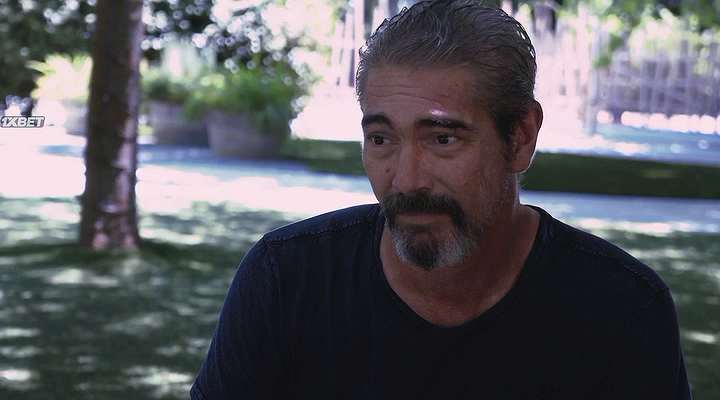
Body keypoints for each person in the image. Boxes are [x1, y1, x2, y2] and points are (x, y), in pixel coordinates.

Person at [191, 1, 692, 399]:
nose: (406, 180)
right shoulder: (286, 280)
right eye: (381, 139)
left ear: (520, 137)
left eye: (443, 139)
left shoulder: (621, 309)